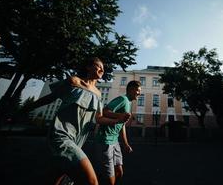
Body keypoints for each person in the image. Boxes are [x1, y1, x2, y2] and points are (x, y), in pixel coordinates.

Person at [25, 57, 130, 185]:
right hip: (61, 135)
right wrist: (26, 108)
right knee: (92, 181)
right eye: (98, 66)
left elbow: (99, 118)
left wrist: (118, 119)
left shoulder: (98, 93)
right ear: (88, 67)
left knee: (57, 176)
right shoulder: (74, 81)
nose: (102, 69)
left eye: (103, 68)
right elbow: (50, 98)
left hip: (78, 140)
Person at [93, 80, 141, 185]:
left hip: (115, 142)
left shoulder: (128, 103)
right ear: (131, 89)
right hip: (105, 140)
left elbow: (121, 125)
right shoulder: (123, 99)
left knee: (119, 173)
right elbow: (105, 111)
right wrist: (119, 116)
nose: (139, 93)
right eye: (138, 91)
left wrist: (126, 144)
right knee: (110, 179)